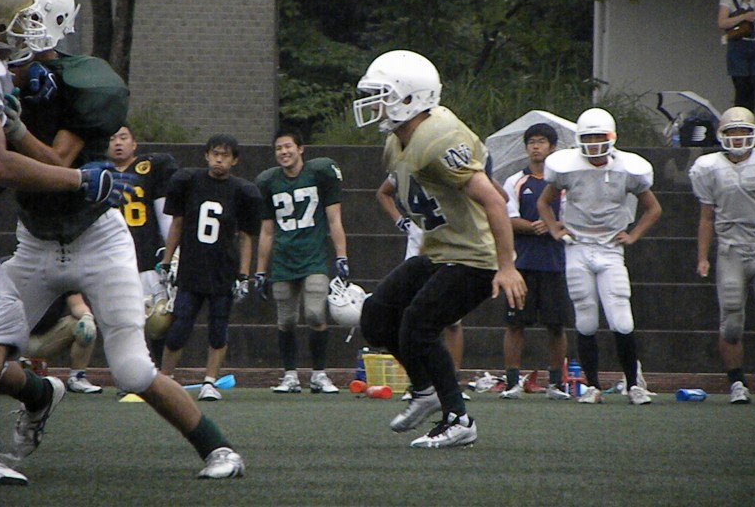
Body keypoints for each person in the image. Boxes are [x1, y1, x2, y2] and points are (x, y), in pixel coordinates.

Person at [0, 0, 245, 479]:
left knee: (133, 369)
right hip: (35, 242)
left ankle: (220, 449)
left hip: (96, 239)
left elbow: (56, 163)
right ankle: (41, 394)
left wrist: (15, 125)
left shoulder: (83, 82)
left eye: (15, 18)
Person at [0, 0, 133, 485]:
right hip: (32, 227)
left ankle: (35, 396)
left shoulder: (2, 71)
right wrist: (80, 180)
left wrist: (19, 103)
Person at [353, 49, 526, 448]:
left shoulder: (437, 138)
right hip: (439, 251)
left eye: (382, 95)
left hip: (474, 256)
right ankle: (425, 390)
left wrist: (506, 266)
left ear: (409, 98)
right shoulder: (397, 142)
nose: (374, 104)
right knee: (376, 316)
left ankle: (458, 418)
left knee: (419, 324)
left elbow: (494, 200)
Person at [537, 107, 662, 406]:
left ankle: (634, 385)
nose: (594, 144)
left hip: (609, 248)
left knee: (621, 318)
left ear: (611, 137)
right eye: (588, 137)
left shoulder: (626, 168)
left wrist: (633, 235)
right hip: (577, 247)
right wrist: (554, 228)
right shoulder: (567, 167)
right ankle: (592, 386)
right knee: (586, 319)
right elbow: (544, 202)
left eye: (599, 137)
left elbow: (653, 208)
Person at [158, 134, 262, 401]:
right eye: (215, 154)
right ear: (206, 155)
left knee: (218, 329)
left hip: (223, 270)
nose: (219, 160)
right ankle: (165, 380)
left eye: (225, 155)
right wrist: (167, 262)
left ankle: (209, 381)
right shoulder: (189, 181)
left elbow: (246, 237)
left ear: (234, 160)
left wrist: (244, 275)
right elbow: (177, 224)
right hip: (191, 268)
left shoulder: (242, 191)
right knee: (179, 327)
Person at [688, 106, 755, 403]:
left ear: (754, 135)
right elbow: (706, 217)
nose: (737, 138)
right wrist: (702, 257)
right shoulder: (709, 167)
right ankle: (737, 382)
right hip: (731, 249)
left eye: (743, 132)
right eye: (732, 132)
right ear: (721, 135)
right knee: (732, 321)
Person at [254, 129, 348, 394]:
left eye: (288, 146)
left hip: (313, 256)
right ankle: (290, 375)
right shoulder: (268, 181)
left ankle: (319, 374)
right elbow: (267, 231)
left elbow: (334, 220)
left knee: (316, 313)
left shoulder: (319, 173)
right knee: (286, 320)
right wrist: (260, 271)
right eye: (278, 148)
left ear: (300, 148)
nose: (283, 152)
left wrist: (342, 255)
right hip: (283, 259)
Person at [375, 176, 469, 401]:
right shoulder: (406, 165)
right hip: (419, 242)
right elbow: (383, 192)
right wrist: (401, 221)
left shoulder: (450, 166)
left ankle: (452, 381)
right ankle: (420, 382)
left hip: (450, 241)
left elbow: (496, 197)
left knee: (452, 320)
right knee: (410, 316)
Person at [500, 123, 571, 401]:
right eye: (531, 142)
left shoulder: (565, 183)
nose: (536, 147)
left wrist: (553, 225)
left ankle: (556, 384)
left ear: (552, 147)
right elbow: (507, 218)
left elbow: (573, 218)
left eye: (541, 142)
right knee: (515, 324)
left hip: (556, 263)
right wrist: (534, 226)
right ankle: (512, 383)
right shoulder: (515, 181)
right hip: (522, 264)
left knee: (556, 325)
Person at [108, 124, 179, 364]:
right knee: (122, 323)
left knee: (158, 321)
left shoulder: (149, 168)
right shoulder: (99, 172)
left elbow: (165, 214)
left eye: (123, 137)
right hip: (113, 260)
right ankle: (129, 369)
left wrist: (172, 253)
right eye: (112, 138)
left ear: (134, 143)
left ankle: (160, 370)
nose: (118, 143)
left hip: (146, 256)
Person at [27, 292, 102, 394]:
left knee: (82, 325)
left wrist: (87, 316)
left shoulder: (60, 282)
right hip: (14, 341)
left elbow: (77, 304)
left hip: (43, 339)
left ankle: (77, 377)